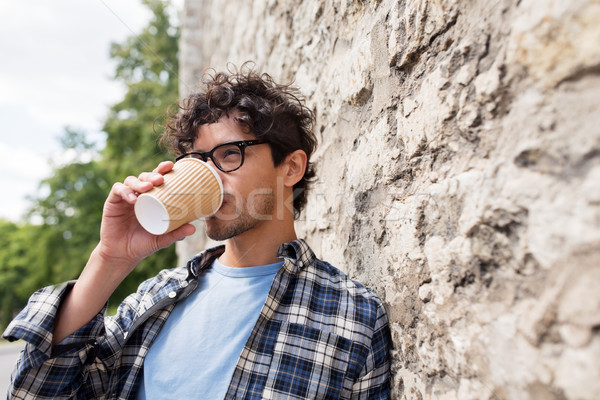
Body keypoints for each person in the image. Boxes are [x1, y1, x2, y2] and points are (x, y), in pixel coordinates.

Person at [3, 64, 392, 399]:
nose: (209, 177)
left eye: (229, 154)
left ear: (290, 168)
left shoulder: (352, 316)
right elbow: (36, 392)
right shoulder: (155, 299)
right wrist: (110, 257)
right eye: (195, 160)